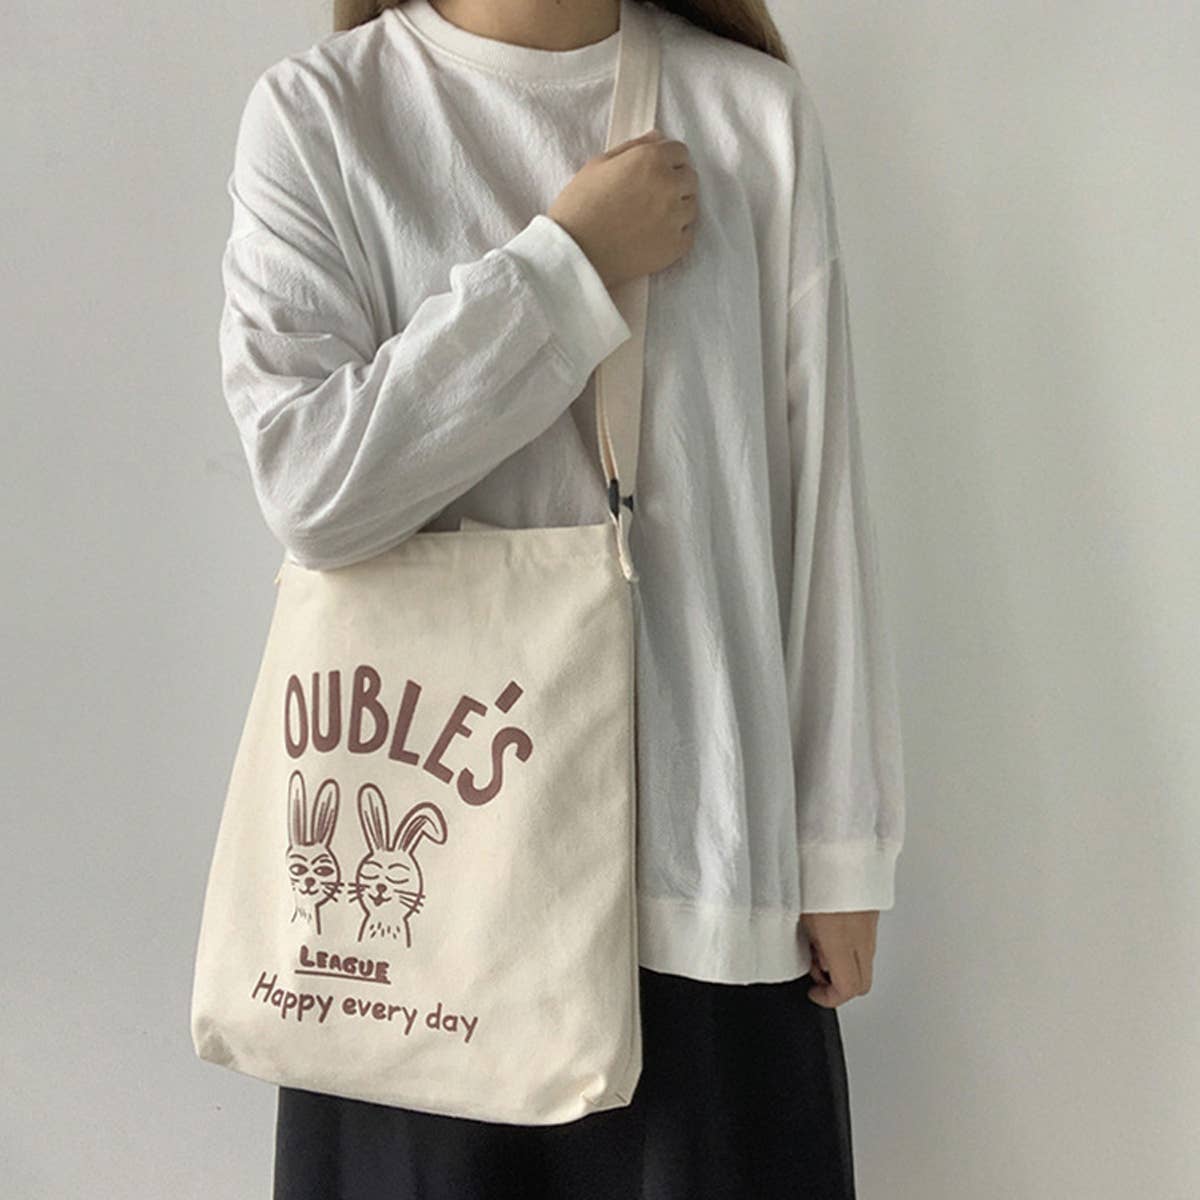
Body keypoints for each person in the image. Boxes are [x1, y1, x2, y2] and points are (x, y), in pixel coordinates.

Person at [217, 0, 906, 1195]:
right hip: (419, 918)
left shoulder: (750, 115)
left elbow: (816, 495)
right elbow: (312, 486)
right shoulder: (322, 116)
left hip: (697, 885)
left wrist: (841, 849)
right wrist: (567, 266)